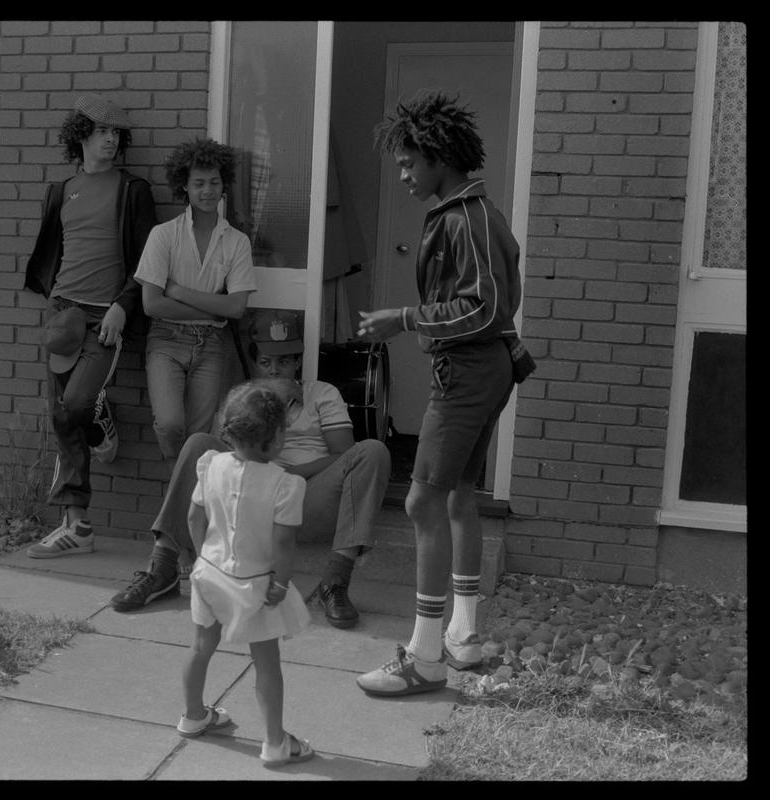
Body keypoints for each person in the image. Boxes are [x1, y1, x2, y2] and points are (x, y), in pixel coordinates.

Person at [354, 90, 532, 697]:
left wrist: (403, 318)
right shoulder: (469, 212)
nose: (403, 174)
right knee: (458, 497)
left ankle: (425, 657)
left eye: (409, 163)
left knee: (420, 503)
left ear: (439, 156)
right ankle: (462, 636)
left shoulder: (467, 218)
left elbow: (485, 308)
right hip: (483, 370)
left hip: (468, 373)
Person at [110, 308, 393, 630]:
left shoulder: (323, 394)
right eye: (266, 362)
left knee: (372, 451)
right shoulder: (242, 398)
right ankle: (162, 567)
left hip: (308, 498)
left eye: (284, 361)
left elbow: (344, 454)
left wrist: (292, 476)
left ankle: (335, 582)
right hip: (249, 501)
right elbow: (222, 462)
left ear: (298, 361)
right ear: (255, 363)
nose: (275, 370)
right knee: (199, 443)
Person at [23, 93, 157, 559]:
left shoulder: (132, 190)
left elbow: (146, 259)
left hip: (107, 318)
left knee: (73, 404)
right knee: (60, 414)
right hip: (65, 315)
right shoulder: (62, 190)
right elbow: (54, 250)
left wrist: (124, 305)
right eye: (102, 132)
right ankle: (77, 526)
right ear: (80, 135)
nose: (111, 140)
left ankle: (97, 409)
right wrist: (53, 302)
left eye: (117, 134)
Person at [179, 381, 315, 768]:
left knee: (200, 647)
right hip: (255, 586)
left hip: (210, 574)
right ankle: (275, 742)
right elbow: (284, 545)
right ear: (275, 439)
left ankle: (193, 716)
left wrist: (202, 557)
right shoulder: (286, 485)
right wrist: (281, 583)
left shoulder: (211, 464)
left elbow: (194, 517)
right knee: (266, 663)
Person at [135, 137, 257, 461]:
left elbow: (236, 307)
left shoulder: (237, 242)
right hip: (165, 339)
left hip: (211, 345)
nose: (207, 191)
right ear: (184, 187)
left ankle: (187, 498)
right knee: (171, 424)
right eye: (199, 183)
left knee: (201, 438)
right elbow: (151, 304)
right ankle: (183, 485)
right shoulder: (163, 236)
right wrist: (211, 307)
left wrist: (177, 291)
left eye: (214, 182)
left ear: (224, 184)